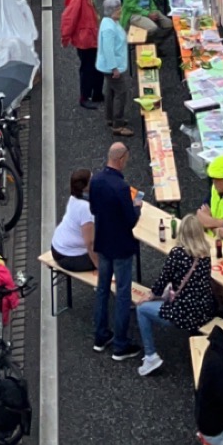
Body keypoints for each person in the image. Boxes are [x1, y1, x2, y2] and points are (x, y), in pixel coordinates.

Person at [135, 214, 216, 375]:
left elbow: (163, 279)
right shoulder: (205, 254)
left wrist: (150, 295)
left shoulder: (177, 254)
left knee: (141, 309)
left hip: (183, 313)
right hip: (204, 310)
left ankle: (151, 356)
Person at [89, 141, 141, 357]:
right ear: (121, 159)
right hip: (121, 246)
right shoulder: (121, 188)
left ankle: (101, 335)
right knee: (122, 293)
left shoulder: (96, 181)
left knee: (102, 289)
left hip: (103, 242)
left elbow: (93, 208)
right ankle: (121, 343)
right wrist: (136, 208)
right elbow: (130, 221)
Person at [60, 0, 102, 106]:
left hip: (91, 37)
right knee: (88, 68)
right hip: (86, 40)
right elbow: (68, 18)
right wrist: (65, 37)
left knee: (95, 66)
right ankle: (84, 97)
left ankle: (96, 93)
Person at [97, 0, 132, 136]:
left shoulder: (110, 22)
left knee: (111, 90)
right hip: (112, 67)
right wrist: (114, 68)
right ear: (112, 11)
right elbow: (108, 50)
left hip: (111, 66)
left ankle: (110, 117)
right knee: (121, 92)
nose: (121, 12)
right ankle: (118, 124)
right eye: (119, 10)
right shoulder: (109, 28)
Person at [49, 168, 96, 273]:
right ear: (85, 187)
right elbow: (90, 243)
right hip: (68, 257)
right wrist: (99, 266)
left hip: (57, 246)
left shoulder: (74, 197)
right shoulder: (85, 208)